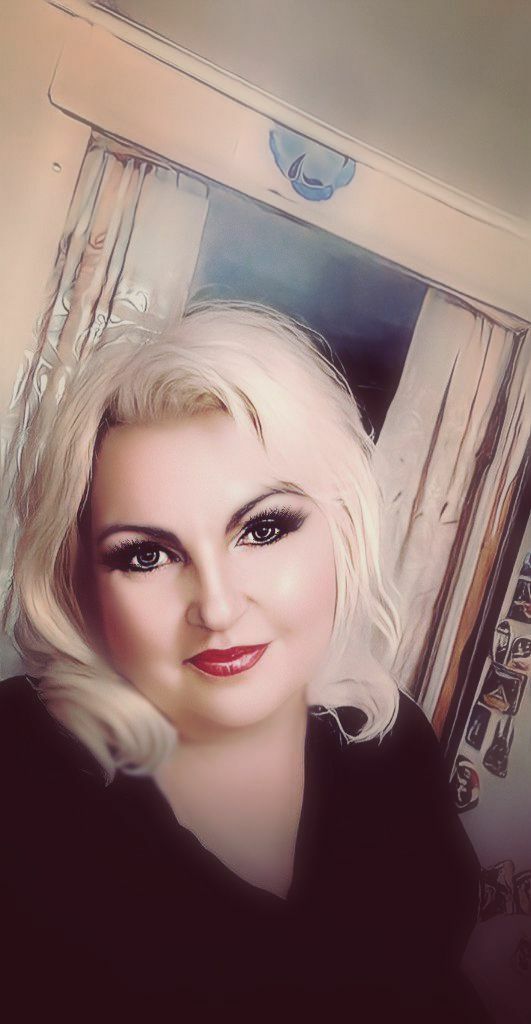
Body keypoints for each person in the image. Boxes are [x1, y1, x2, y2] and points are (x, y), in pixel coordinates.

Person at [0, 303, 489, 1022]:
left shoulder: (386, 743)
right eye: (147, 555)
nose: (219, 606)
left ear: (342, 528)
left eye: (262, 529)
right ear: (81, 581)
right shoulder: (20, 768)